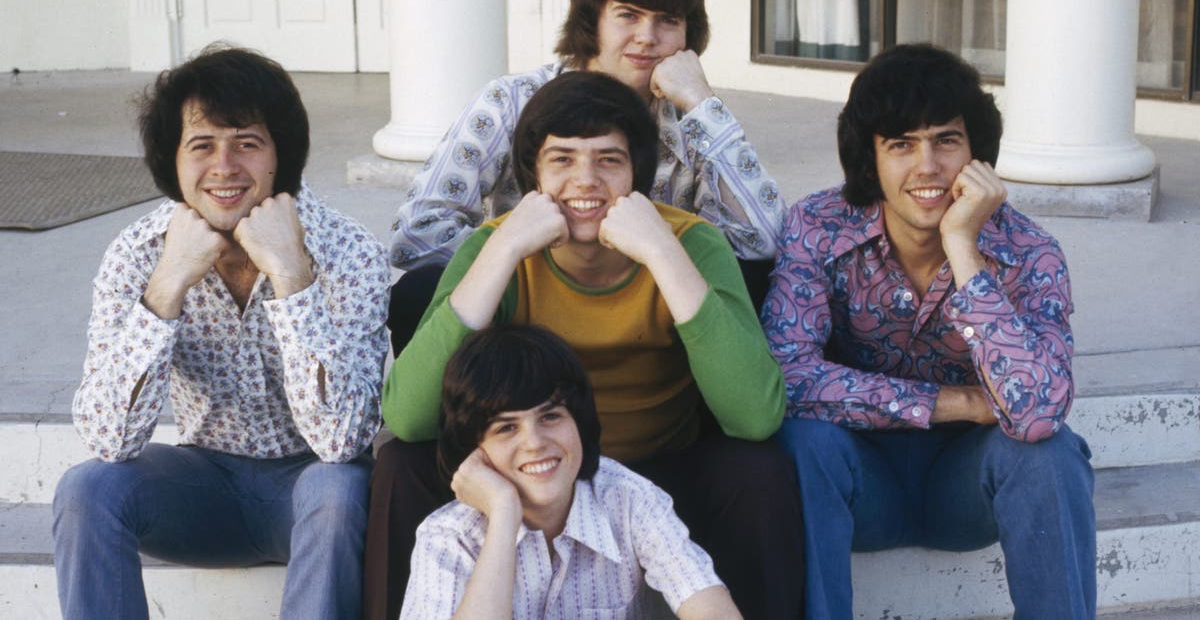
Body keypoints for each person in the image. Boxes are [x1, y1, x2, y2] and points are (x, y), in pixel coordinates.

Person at [368, 71, 804, 620]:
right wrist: (503, 252)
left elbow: (756, 415)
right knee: (401, 463)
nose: (586, 180)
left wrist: (662, 255)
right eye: (562, 160)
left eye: (608, 161)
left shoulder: (693, 242)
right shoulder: (500, 244)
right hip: (529, 471)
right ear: (534, 175)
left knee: (759, 471)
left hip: (658, 473)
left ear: (637, 176)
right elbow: (407, 416)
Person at [51, 45, 390, 620]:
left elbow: (342, 442)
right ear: (173, 160)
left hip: (310, 487)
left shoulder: (347, 250)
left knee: (338, 490)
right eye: (202, 145)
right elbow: (110, 440)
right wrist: (167, 287)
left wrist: (292, 277)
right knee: (87, 490)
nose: (225, 167)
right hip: (200, 485)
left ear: (280, 155)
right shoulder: (138, 254)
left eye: (247, 143)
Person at [762, 43, 1096, 619]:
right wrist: (955, 403)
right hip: (860, 476)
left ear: (976, 154)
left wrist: (963, 246)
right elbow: (787, 378)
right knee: (801, 443)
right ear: (870, 157)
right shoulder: (817, 228)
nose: (928, 166)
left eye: (946, 140)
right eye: (901, 144)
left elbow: (1039, 411)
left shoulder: (1029, 251)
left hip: (967, 486)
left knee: (1053, 456)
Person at [384, 0, 785, 355]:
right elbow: (417, 233)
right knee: (421, 290)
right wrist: (527, 267)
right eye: (628, 14)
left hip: (647, 324)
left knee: (751, 281)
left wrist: (703, 103)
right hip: (523, 326)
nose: (647, 38)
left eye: (668, 20)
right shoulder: (511, 101)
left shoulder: (695, 121)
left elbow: (762, 243)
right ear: (590, 19)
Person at [401, 323, 742, 619]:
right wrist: (504, 513)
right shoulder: (448, 536)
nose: (534, 443)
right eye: (506, 428)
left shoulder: (630, 500)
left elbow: (713, 610)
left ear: (579, 421)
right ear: (474, 449)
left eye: (550, 417)